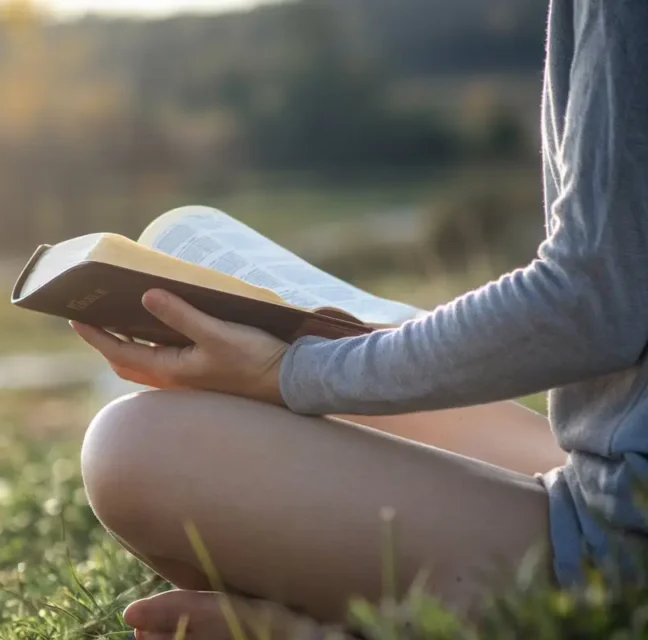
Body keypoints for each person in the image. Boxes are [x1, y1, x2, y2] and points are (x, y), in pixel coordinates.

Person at [72, 0, 648, 638]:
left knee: (136, 448)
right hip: (614, 471)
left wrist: (296, 370)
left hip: (621, 550)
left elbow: (591, 300)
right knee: (341, 396)